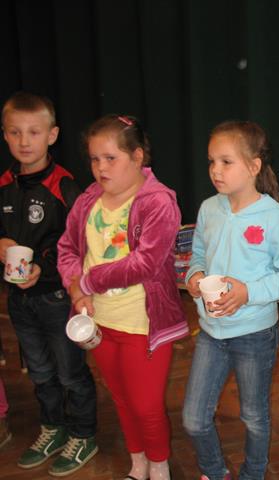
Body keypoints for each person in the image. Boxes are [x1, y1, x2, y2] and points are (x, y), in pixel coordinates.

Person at [57, 114, 189, 480]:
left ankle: (159, 467)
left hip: (143, 325)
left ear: (138, 156)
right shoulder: (88, 199)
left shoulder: (158, 201)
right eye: (94, 159)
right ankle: (138, 464)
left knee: (146, 406)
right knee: (121, 398)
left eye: (110, 158)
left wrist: (88, 281)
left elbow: (145, 263)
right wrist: (74, 287)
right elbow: (67, 248)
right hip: (99, 322)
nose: (100, 168)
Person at [182, 120, 279, 480]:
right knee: (194, 419)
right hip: (211, 332)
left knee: (254, 416)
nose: (215, 170)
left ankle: (253, 473)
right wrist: (194, 277)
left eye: (226, 162)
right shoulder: (209, 209)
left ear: (253, 166)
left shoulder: (276, 219)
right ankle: (215, 472)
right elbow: (197, 256)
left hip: (254, 334)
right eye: (211, 161)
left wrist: (248, 292)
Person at [0, 91, 98, 476]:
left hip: (58, 297)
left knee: (70, 371)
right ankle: (53, 427)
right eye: (15, 132)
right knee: (40, 371)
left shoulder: (66, 187)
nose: (24, 141)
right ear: (5, 135)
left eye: (34, 132)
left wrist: (44, 267)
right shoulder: (4, 185)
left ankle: (83, 434)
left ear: (52, 135)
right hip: (19, 300)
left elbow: (79, 244)